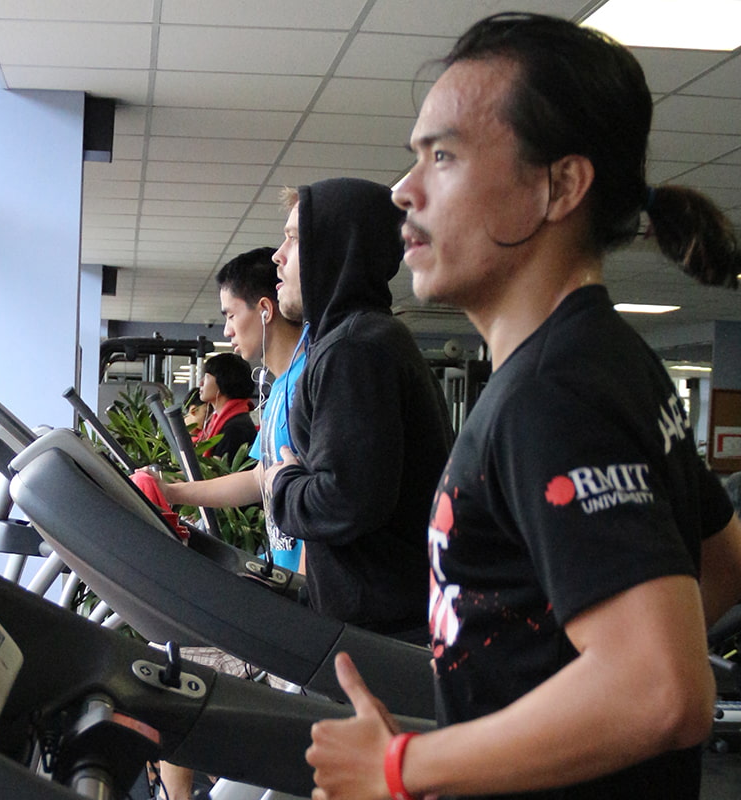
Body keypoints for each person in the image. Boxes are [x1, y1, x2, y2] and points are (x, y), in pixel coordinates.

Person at [305, 13, 741, 800]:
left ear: (559, 187)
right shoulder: (602, 361)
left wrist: (402, 768)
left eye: (444, 156)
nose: (405, 190)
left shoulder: (555, 393)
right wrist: (523, 716)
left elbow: (662, 691)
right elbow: (723, 560)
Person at [263, 177, 453, 639]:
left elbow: (347, 502)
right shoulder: (359, 339)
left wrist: (281, 484)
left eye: (293, 238)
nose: (278, 255)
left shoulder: (353, 350)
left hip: (385, 633)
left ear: (334, 248)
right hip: (380, 620)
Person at [159, 246, 307, 572]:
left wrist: (309, 592)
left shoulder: (310, 381)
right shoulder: (281, 386)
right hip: (286, 571)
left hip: (312, 590)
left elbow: (323, 499)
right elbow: (259, 478)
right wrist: (170, 492)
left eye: (230, 314)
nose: (226, 330)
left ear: (265, 309)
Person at [193, 352, 257, 461]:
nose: (201, 383)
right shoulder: (221, 421)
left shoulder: (236, 428)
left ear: (222, 381)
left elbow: (213, 471)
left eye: (207, 377)